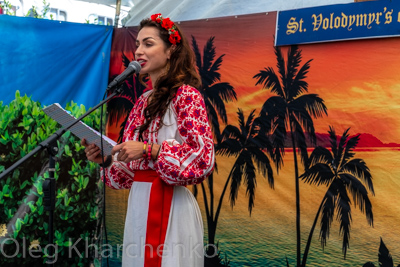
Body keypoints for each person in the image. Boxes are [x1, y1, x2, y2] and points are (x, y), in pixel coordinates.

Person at [81, 13, 215, 267]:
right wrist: (106, 159)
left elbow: (203, 159)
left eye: (148, 44)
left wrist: (149, 149)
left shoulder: (187, 96)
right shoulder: (142, 102)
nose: (138, 51)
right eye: (137, 45)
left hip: (172, 206)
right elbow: (128, 173)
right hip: (139, 207)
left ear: (171, 52)